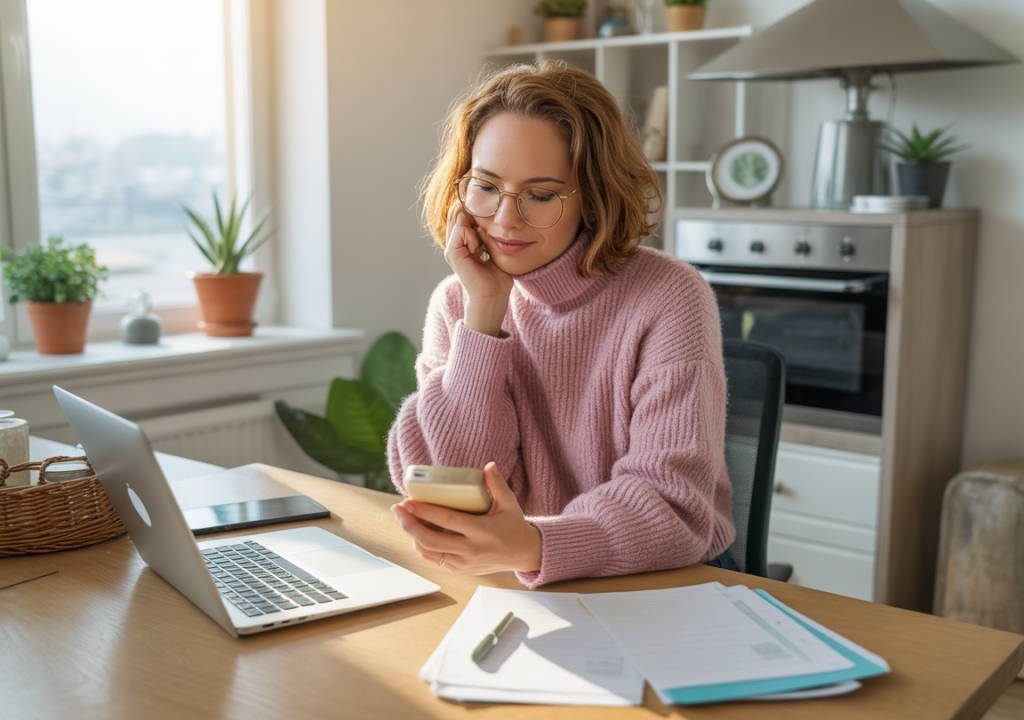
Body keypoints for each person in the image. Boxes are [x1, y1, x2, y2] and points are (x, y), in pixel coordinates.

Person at [387, 61, 736, 589]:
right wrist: (484, 316)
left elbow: (673, 507)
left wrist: (538, 542)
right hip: (518, 576)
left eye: (541, 195)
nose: (505, 220)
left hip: (663, 581)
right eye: (485, 186)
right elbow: (455, 483)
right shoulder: (458, 302)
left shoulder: (669, 297)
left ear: (592, 198)